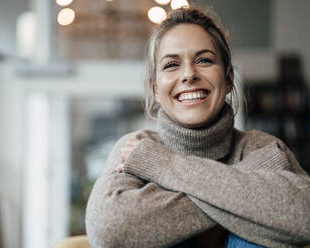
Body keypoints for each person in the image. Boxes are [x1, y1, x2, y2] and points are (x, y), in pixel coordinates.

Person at [85, 6, 310, 248]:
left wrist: (161, 164)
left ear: (228, 79)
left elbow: (305, 216)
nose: (189, 74)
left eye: (204, 60)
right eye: (171, 65)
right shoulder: (132, 148)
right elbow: (109, 231)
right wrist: (252, 200)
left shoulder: (262, 149)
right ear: (154, 89)